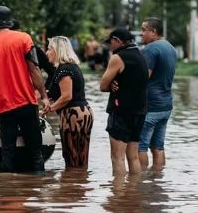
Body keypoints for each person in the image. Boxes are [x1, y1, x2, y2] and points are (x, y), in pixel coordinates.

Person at [0, 5, 50, 172]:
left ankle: (7, 192)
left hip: (4, 106)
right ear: (9, 22)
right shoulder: (24, 39)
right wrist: (45, 96)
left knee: (8, 152)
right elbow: (34, 69)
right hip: (27, 103)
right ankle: (37, 189)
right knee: (36, 152)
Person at [100, 28, 149, 176]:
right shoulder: (140, 56)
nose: (110, 46)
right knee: (133, 157)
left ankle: (119, 196)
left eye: (111, 42)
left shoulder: (118, 58)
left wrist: (111, 84)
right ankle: (133, 194)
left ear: (118, 41)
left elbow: (102, 86)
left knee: (117, 157)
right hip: (139, 111)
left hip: (121, 111)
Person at [42, 36, 93, 169]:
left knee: (71, 157)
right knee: (82, 157)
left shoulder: (64, 69)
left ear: (58, 50)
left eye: (49, 49)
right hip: (84, 112)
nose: (47, 52)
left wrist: (49, 109)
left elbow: (66, 96)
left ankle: (71, 187)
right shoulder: (72, 67)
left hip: (72, 115)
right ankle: (81, 185)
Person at [138, 17, 178, 171]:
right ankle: (157, 182)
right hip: (166, 106)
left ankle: (140, 183)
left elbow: (142, 79)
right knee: (158, 146)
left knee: (140, 147)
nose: (141, 34)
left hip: (151, 105)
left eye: (143, 30)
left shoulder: (150, 49)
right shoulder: (171, 48)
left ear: (153, 32)